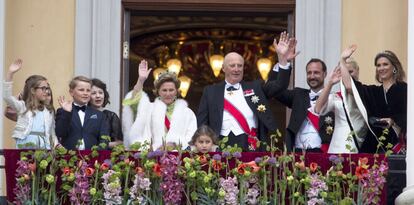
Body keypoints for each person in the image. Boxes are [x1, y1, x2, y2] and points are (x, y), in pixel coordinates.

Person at [197, 31, 295, 151]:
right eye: (232, 66)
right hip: (219, 145)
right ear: (223, 68)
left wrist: (282, 60)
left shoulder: (256, 87)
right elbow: (202, 123)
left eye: (240, 66)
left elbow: (280, 85)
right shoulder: (210, 91)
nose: (236, 69)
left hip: (250, 145)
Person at [340, 46, 407, 153]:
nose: (381, 68)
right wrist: (342, 60)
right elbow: (349, 86)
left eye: (385, 64)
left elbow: (408, 115)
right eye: (378, 65)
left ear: (394, 67)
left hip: (397, 141)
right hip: (374, 141)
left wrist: (393, 121)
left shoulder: (405, 89)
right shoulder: (373, 91)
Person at [122, 61, 197, 150]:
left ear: (177, 91)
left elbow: (192, 138)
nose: (168, 93)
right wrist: (140, 80)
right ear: (158, 92)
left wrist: (173, 145)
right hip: (150, 158)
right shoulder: (149, 108)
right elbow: (132, 103)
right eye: (164, 90)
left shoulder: (187, 113)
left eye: (171, 90)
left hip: (178, 158)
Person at [271, 55, 335, 152]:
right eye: (309, 73)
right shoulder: (298, 95)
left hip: (323, 153)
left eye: (316, 72)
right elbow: (274, 90)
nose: (312, 76)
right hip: (297, 153)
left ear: (325, 74)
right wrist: (283, 63)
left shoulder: (334, 99)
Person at [314, 56, 369, 153]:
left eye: (350, 72)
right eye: (345, 73)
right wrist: (330, 83)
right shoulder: (336, 97)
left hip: (361, 146)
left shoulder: (367, 93)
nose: (348, 76)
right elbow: (318, 109)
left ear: (358, 71)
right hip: (338, 148)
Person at [3, 59, 58, 149]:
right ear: (33, 90)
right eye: (43, 88)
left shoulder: (48, 110)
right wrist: (10, 74)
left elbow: (51, 132)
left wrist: (57, 145)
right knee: (25, 163)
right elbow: (7, 97)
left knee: (43, 163)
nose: (47, 91)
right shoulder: (23, 107)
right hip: (26, 143)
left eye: (47, 88)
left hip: (44, 145)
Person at [55, 76, 109, 150]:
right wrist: (67, 113)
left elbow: (104, 139)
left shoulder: (100, 115)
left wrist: (96, 153)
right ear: (71, 92)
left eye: (88, 90)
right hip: (69, 157)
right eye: (81, 90)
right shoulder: (63, 111)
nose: (85, 93)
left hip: (92, 157)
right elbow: (60, 133)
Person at [89, 78, 123, 149]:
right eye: (93, 93)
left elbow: (119, 142)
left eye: (100, 92)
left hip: (107, 157)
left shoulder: (111, 116)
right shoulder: (83, 115)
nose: (98, 96)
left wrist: (101, 145)